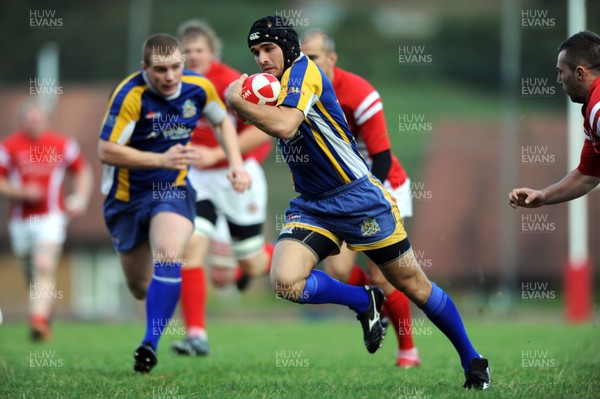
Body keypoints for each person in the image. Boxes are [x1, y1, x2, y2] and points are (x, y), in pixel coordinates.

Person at [226, 16, 490, 389]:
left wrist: (237, 101)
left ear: (288, 46)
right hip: (313, 205)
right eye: (255, 52)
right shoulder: (273, 85)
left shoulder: (306, 71)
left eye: (268, 48)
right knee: (285, 281)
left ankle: (472, 359)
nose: (262, 58)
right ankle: (362, 300)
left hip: (359, 199)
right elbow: (272, 124)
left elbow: (284, 126)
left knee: (413, 285)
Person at [98, 33, 251, 373]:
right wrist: (159, 160)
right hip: (125, 197)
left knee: (170, 253)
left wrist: (236, 163)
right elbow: (106, 151)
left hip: (173, 189)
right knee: (139, 287)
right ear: (144, 68)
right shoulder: (129, 95)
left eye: (175, 68)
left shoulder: (199, 87)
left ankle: (149, 344)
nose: (169, 77)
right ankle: (158, 302)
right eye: (160, 69)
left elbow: (222, 120)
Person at [300, 29, 420, 368]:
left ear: (332, 58)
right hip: (337, 192)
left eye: (314, 57)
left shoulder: (360, 93)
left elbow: (381, 158)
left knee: (385, 273)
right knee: (338, 269)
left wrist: (363, 197)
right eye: (301, 58)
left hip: (381, 185)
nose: (307, 65)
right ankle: (371, 301)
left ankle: (408, 352)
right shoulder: (296, 92)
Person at [170, 20, 274, 357]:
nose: (192, 55)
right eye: (186, 51)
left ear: (212, 53)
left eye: (199, 50)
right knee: (189, 250)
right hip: (197, 180)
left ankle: (287, 254)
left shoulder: (233, 84)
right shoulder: (173, 85)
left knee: (255, 265)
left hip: (237, 175)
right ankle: (196, 335)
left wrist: (220, 153)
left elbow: (264, 129)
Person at [0, 99, 93, 341]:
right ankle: (43, 313)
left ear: (45, 119)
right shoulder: (9, 147)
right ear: (22, 121)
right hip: (21, 221)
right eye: (29, 119)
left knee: (44, 265)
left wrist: (80, 199)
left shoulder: (62, 144)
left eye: (38, 118)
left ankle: (37, 321)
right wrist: (21, 192)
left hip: (51, 218)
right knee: (32, 273)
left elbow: (83, 171)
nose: (34, 123)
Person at [509, 31, 600, 208]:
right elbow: (588, 175)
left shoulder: (597, 109)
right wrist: (543, 195)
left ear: (580, 73)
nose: (558, 80)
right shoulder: (592, 113)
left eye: (561, 72)